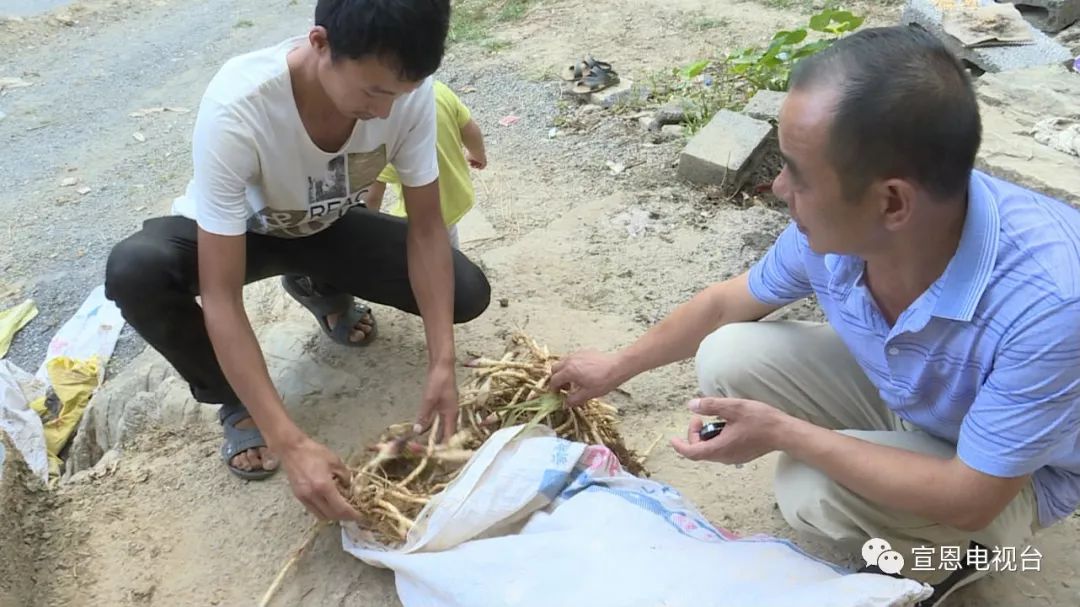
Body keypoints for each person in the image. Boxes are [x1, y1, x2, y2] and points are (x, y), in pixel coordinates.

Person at [550, 25, 1080, 606]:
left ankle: (961, 560)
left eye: (799, 174)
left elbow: (972, 494)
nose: (779, 187)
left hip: (1012, 480)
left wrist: (784, 435)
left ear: (892, 202)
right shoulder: (844, 230)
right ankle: (886, 468)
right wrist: (616, 366)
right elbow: (730, 301)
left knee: (811, 486)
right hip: (928, 409)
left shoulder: (1052, 301)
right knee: (729, 352)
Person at [103, 0, 491, 523]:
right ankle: (234, 400)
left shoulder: (408, 97)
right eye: (373, 91)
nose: (383, 111)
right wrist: (290, 442)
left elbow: (426, 232)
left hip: (325, 223)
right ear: (320, 44)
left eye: (399, 93)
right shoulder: (239, 104)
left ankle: (317, 286)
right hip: (240, 234)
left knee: (466, 291)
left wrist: (442, 361)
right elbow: (221, 293)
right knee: (135, 270)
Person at [365, 79, 487, 250]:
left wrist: (367, 232)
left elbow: (373, 196)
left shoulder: (387, 125)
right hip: (454, 199)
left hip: (418, 218)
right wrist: (478, 154)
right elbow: (469, 128)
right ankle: (455, 266)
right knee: (450, 244)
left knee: (424, 253)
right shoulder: (437, 90)